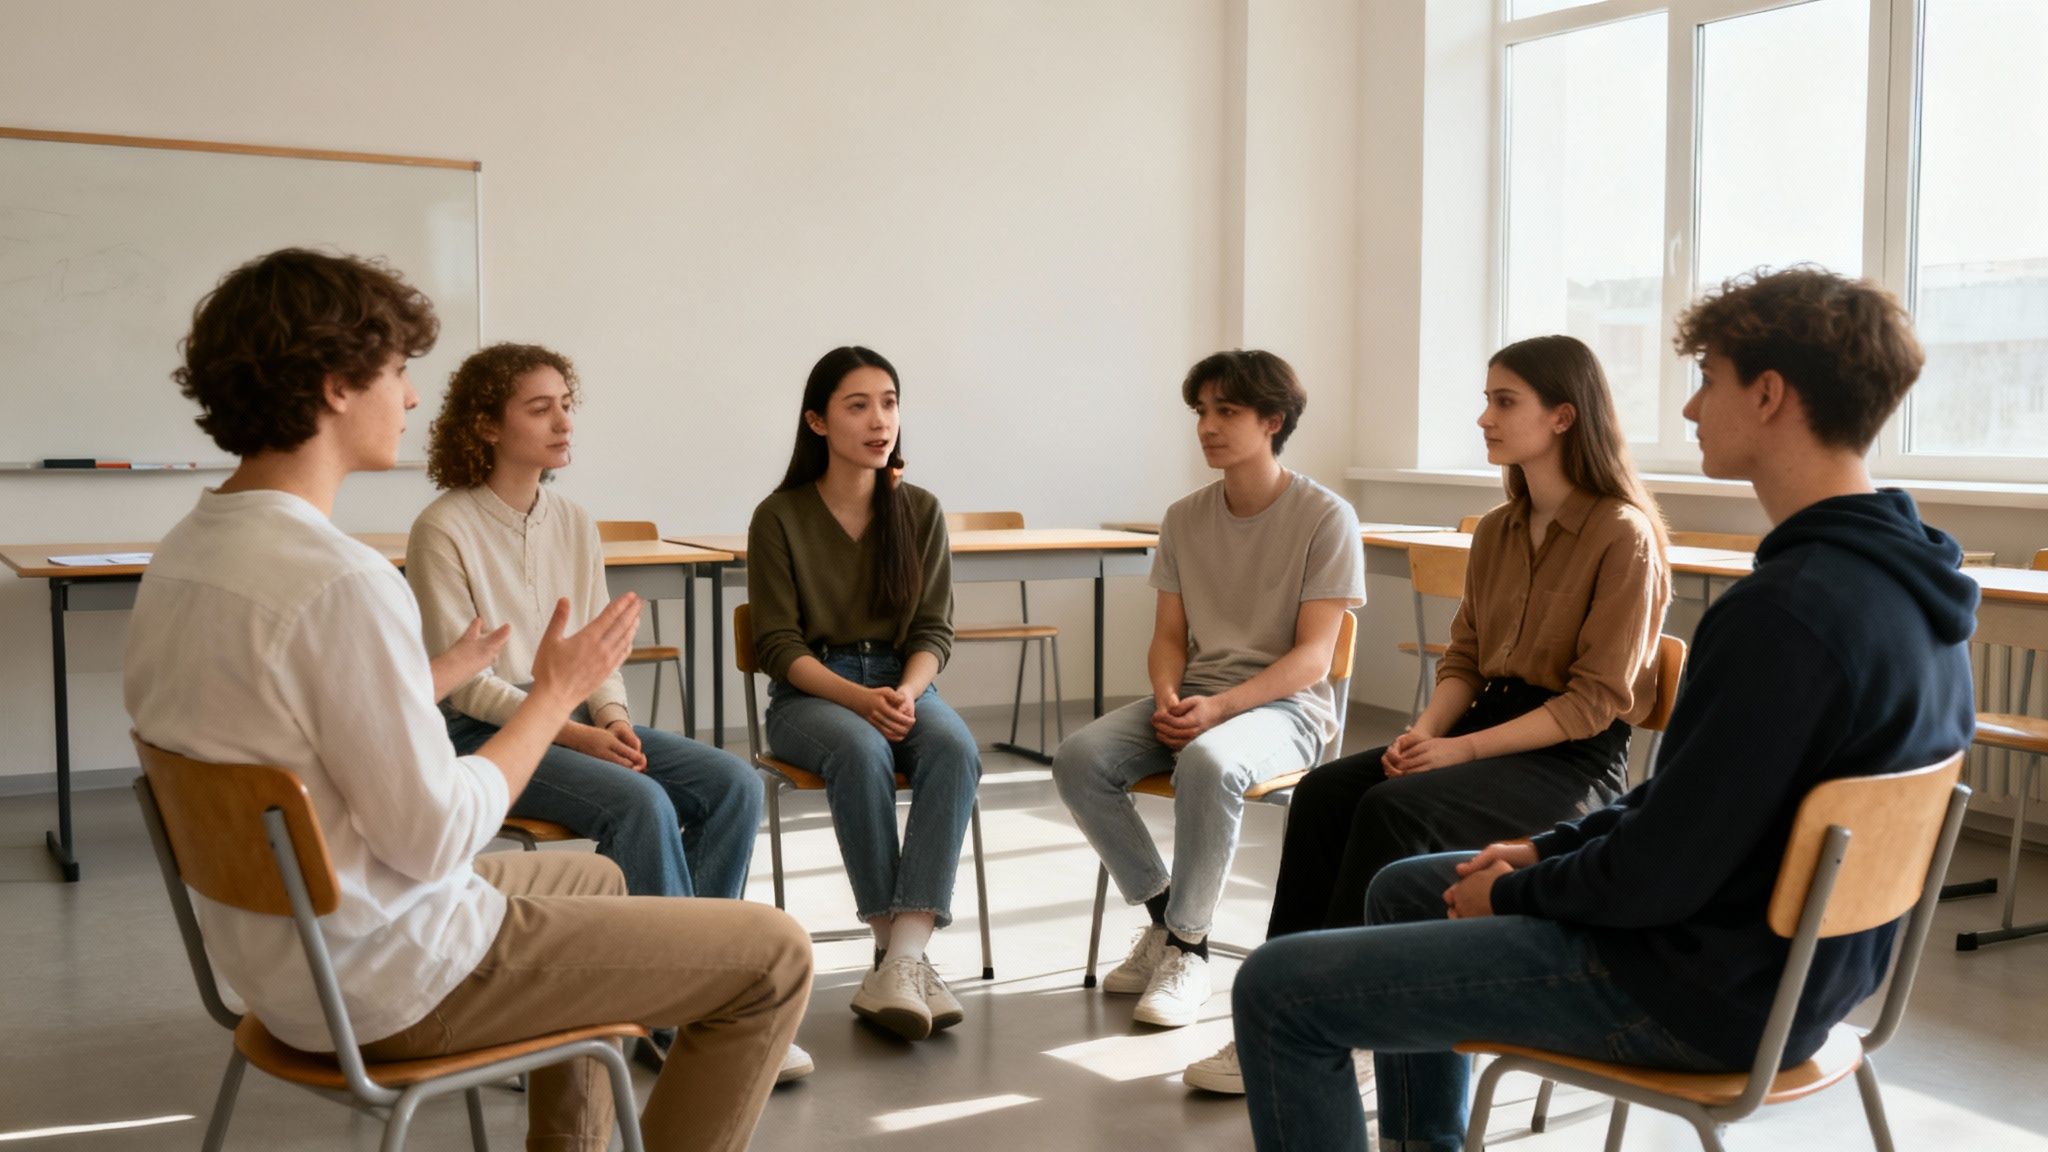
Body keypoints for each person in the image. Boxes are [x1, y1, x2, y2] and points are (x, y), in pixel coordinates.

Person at [1232, 267, 1979, 1152]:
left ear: (1770, 395)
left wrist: (1517, 887)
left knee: (1276, 989)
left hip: (1695, 993)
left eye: (1709, 379)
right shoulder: (1917, 590)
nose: (1693, 410)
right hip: (1796, 980)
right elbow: (1690, 811)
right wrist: (1546, 848)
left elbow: (1663, 868)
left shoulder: (1786, 612)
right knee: (1403, 885)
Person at [126, 248, 811, 1152]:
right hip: (393, 980)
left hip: (282, 965)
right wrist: (551, 696)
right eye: (399, 371)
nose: (410, 398)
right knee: (775, 955)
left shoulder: (183, 556)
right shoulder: (340, 580)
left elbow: (300, 718)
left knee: (604, 876)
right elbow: (433, 834)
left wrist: (447, 676)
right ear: (337, 385)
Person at [1183, 335, 1673, 1094]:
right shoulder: (1499, 529)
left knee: (1392, 810)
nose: (1484, 418)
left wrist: (1462, 753)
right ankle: (1275, 1011)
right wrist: (1426, 732)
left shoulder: (1622, 535)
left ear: (1564, 417)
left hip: (1568, 756)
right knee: (1323, 795)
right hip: (1485, 724)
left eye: (1504, 401)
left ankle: (1339, 1024)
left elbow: (1592, 704)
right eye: (1486, 399)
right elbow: (1466, 661)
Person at [407, 341, 810, 1081]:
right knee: (641, 805)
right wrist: (575, 733)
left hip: (575, 717)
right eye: (540, 407)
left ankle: (693, 992)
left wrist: (613, 719)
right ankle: (678, 1013)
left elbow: (599, 652)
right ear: (486, 426)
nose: (564, 421)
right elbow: (466, 688)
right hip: (481, 732)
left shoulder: (574, 520)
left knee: (733, 785)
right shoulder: (444, 528)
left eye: (567, 404)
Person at [1053, 349, 1365, 1030]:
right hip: (1197, 695)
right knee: (1080, 759)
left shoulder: (1326, 515)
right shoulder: (1185, 517)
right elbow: (1169, 637)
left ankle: (1190, 950)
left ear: (1272, 420)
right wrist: (1168, 695)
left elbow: (1314, 657)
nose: (1207, 426)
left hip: (1286, 709)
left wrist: (1220, 709)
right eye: (1202, 411)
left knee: (1208, 762)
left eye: (1227, 411)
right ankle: (1169, 918)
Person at [747, 345, 981, 1042]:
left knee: (956, 750)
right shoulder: (779, 516)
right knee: (859, 751)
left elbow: (934, 632)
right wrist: (857, 698)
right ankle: (900, 960)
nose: (880, 420)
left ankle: (900, 958)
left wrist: (906, 691)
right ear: (818, 422)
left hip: (902, 685)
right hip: (813, 696)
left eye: (889, 402)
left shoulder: (920, 511)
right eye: (858, 405)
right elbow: (777, 648)